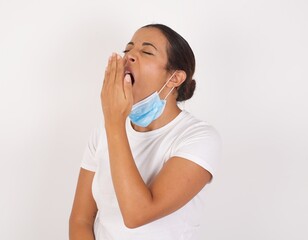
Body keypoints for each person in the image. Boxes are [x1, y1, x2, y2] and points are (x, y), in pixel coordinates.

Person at [69, 23, 222, 240]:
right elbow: (81, 220)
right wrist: (113, 123)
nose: (129, 56)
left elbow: (136, 214)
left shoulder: (199, 137)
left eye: (147, 52)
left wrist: (113, 121)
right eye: (127, 50)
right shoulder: (103, 132)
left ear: (175, 78)